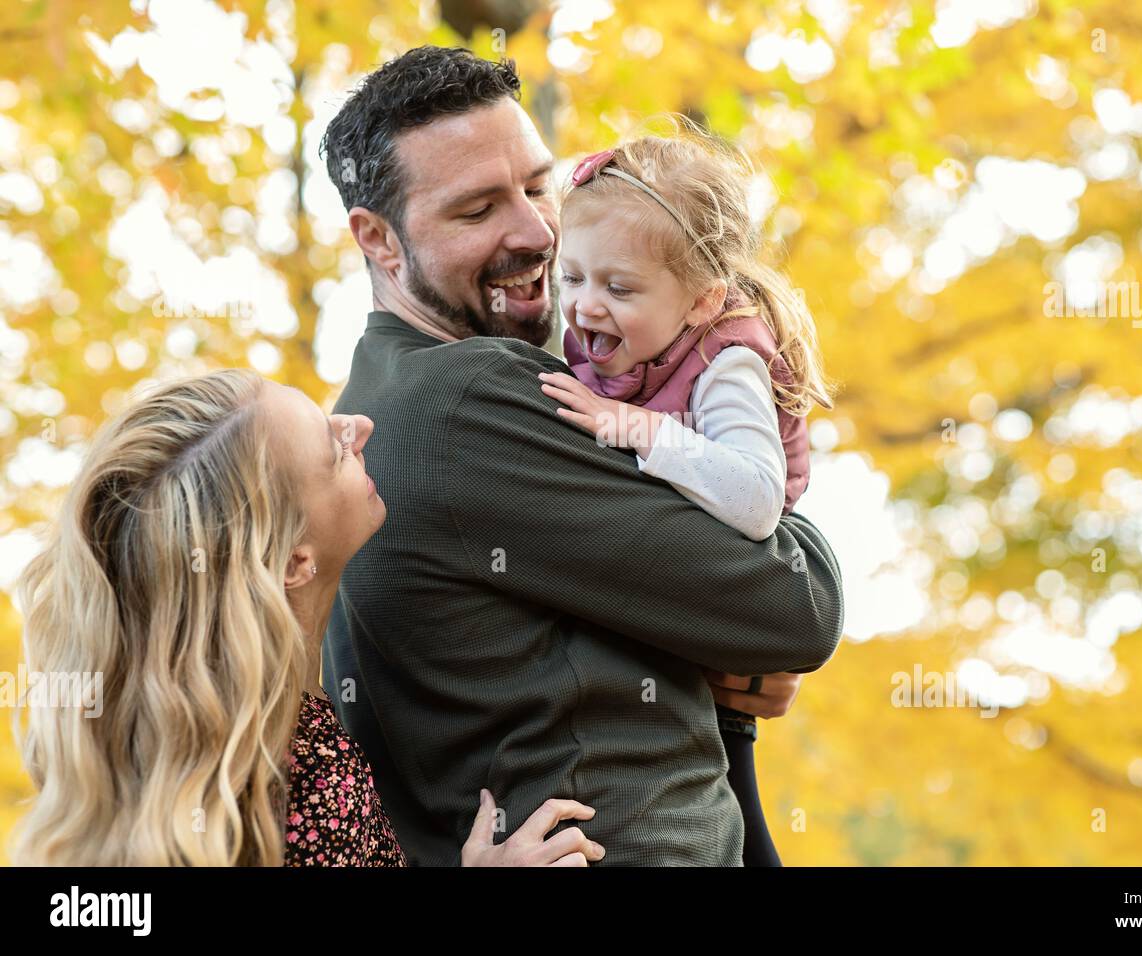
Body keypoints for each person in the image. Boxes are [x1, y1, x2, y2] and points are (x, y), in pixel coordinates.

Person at [319, 45, 845, 866]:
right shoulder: (469, 394)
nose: (535, 232)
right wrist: (780, 547)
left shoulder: (362, 408)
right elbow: (795, 605)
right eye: (476, 211)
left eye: (536, 186)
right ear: (379, 240)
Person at [9, 370, 604, 867]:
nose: (360, 426)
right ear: (296, 563)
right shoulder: (307, 781)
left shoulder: (257, 742)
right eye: (333, 448)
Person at [538, 124, 835, 866]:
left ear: (701, 300)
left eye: (618, 288)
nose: (584, 307)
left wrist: (639, 430)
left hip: (722, 608)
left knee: (733, 800)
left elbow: (758, 498)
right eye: (571, 278)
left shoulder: (725, 359)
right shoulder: (613, 336)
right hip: (670, 619)